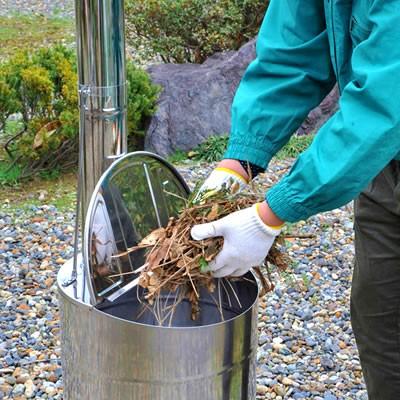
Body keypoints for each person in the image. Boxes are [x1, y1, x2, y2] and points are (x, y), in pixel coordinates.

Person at [190, 1, 400, 398]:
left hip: (385, 129)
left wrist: (269, 214)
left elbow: (386, 102)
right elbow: (294, 50)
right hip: (384, 169)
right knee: (383, 325)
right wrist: (239, 163)